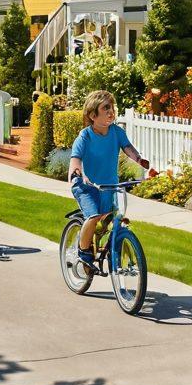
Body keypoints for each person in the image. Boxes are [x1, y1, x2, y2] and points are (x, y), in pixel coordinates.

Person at [68, 90, 148, 270]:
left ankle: (109, 248)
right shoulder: (85, 136)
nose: (111, 111)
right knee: (94, 215)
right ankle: (83, 252)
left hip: (110, 185)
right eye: (106, 108)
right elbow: (76, 158)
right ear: (92, 114)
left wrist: (139, 159)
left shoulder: (116, 132)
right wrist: (76, 173)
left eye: (112, 107)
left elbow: (127, 148)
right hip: (87, 186)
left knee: (113, 217)